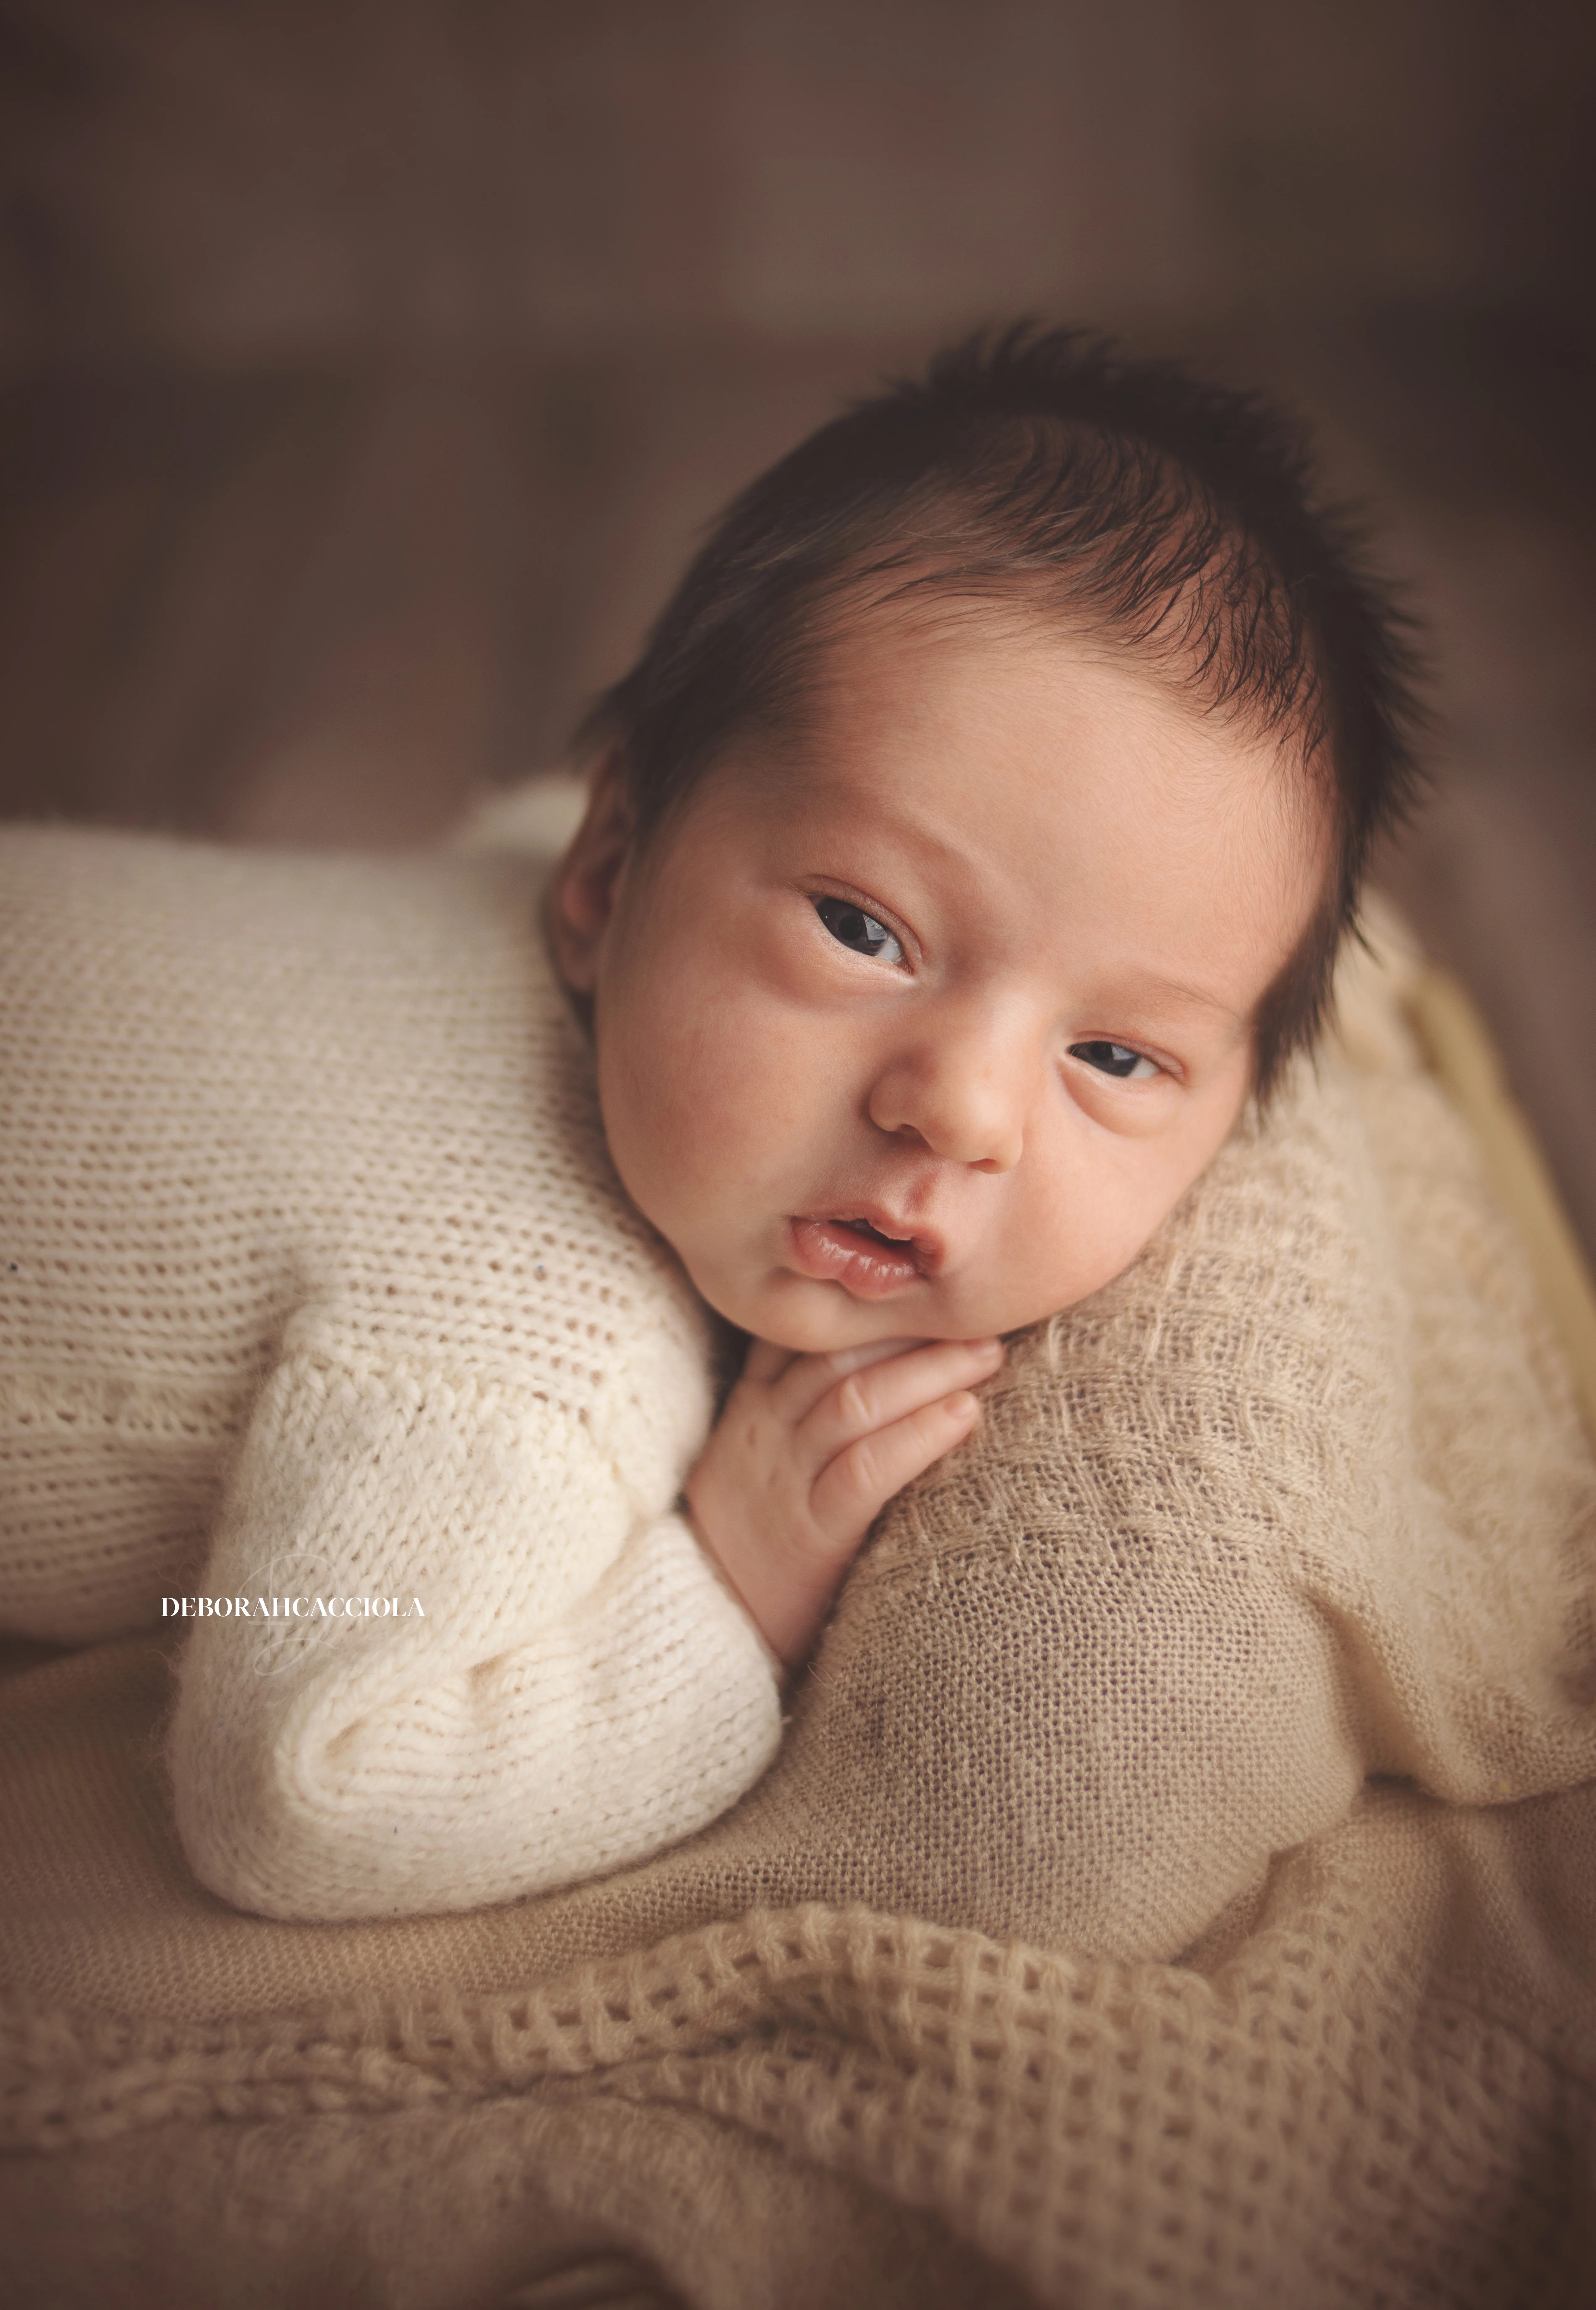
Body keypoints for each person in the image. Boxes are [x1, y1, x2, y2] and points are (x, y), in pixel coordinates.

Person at [0, 326, 1422, 1921]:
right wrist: (721, 1594)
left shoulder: (565, 885)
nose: (960, 1111)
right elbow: (315, 1789)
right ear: (608, 874)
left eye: (1111, 1052)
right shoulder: (520, 1352)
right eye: (864, 932)